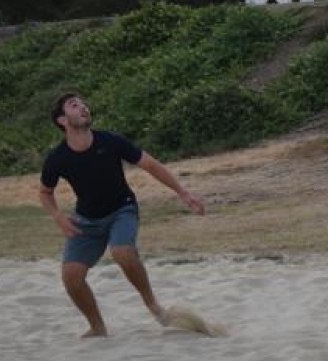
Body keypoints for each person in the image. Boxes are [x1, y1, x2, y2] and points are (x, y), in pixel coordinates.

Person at [39, 93, 206, 337]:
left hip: (122, 209)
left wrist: (183, 192)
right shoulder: (57, 159)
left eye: (84, 103)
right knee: (71, 278)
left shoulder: (110, 141)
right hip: (86, 221)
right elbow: (45, 192)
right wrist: (58, 216)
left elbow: (151, 165)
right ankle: (97, 327)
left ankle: (153, 306)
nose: (84, 107)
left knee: (122, 251)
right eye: (75, 105)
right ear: (63, 120)